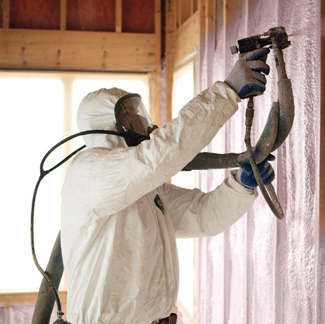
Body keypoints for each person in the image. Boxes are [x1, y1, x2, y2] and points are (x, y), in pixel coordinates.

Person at [61, 47, 275, 324]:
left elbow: (202, 216)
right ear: (107, 125)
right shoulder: (90, 170)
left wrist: (241, 185)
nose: (138, 120)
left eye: (135, 111)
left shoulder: (144, 186)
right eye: (127, 115)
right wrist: (227, 91)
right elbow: (159, 156)